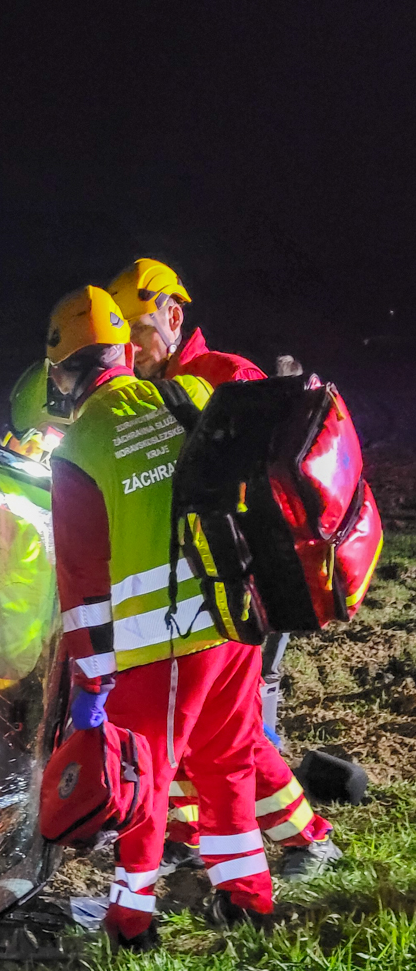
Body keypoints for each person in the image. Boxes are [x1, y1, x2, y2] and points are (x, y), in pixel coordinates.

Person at [47, 285, 273, 950]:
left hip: (158, 645)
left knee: (144, 783)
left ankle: (131, 922)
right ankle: (247, 902)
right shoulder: (189, 394)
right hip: (233, 621)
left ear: (61, 375)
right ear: (121, 351)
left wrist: (91, 685)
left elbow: (83, 585)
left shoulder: (77, 448)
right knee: (227, 763)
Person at [106, 257, 342, 880]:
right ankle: (192, 833)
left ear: (173, 314)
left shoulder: (227, 377)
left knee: (225, 731)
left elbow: (262, 490)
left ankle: (306, 839)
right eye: (121, 338)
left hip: (238, 583)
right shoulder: (141, 391)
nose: (130, 349)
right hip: (189, 586)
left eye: (138, 332)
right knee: (199, 729)